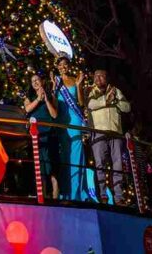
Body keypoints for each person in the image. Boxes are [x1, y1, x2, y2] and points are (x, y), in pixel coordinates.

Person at [88, 68, 131, 203]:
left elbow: (127, 107)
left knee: (117, 165)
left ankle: (119, 197)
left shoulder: (116, 91)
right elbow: (91, 105)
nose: (98, 78)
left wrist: (116, 101)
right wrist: (107, 100)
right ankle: (102, 196)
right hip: (99, 132)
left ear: (107, 78)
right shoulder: (90, 90)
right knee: (100, 165)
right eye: (96, 76)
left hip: (115, 132)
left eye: (101, 76)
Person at [52, 55, 86, 201]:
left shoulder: (74, 80)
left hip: (75, 121)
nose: (63, 67)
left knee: (76, 157)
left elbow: (81, 102)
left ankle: (77, 194)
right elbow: (53, 105)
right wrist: (53, 88)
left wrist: (78, 85)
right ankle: (65, 192)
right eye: (60, 65)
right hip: (62, 121)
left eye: (65, 64)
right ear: (57, 67)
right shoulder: (56, 82)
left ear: (68, 66)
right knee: (65, 156)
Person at [24, 73, 59, 200]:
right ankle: (42, 196)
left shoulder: (51, 96)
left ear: (42, 81)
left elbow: (54, 115)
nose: (35, 83)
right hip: (37, 135)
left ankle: (56, 197)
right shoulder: (29, 97)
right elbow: (27, 109)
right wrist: (38, 99)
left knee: (52, 167)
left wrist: (46, 100)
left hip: (50, 134)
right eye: (32, 81)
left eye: (37, 80)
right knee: (40, 168)